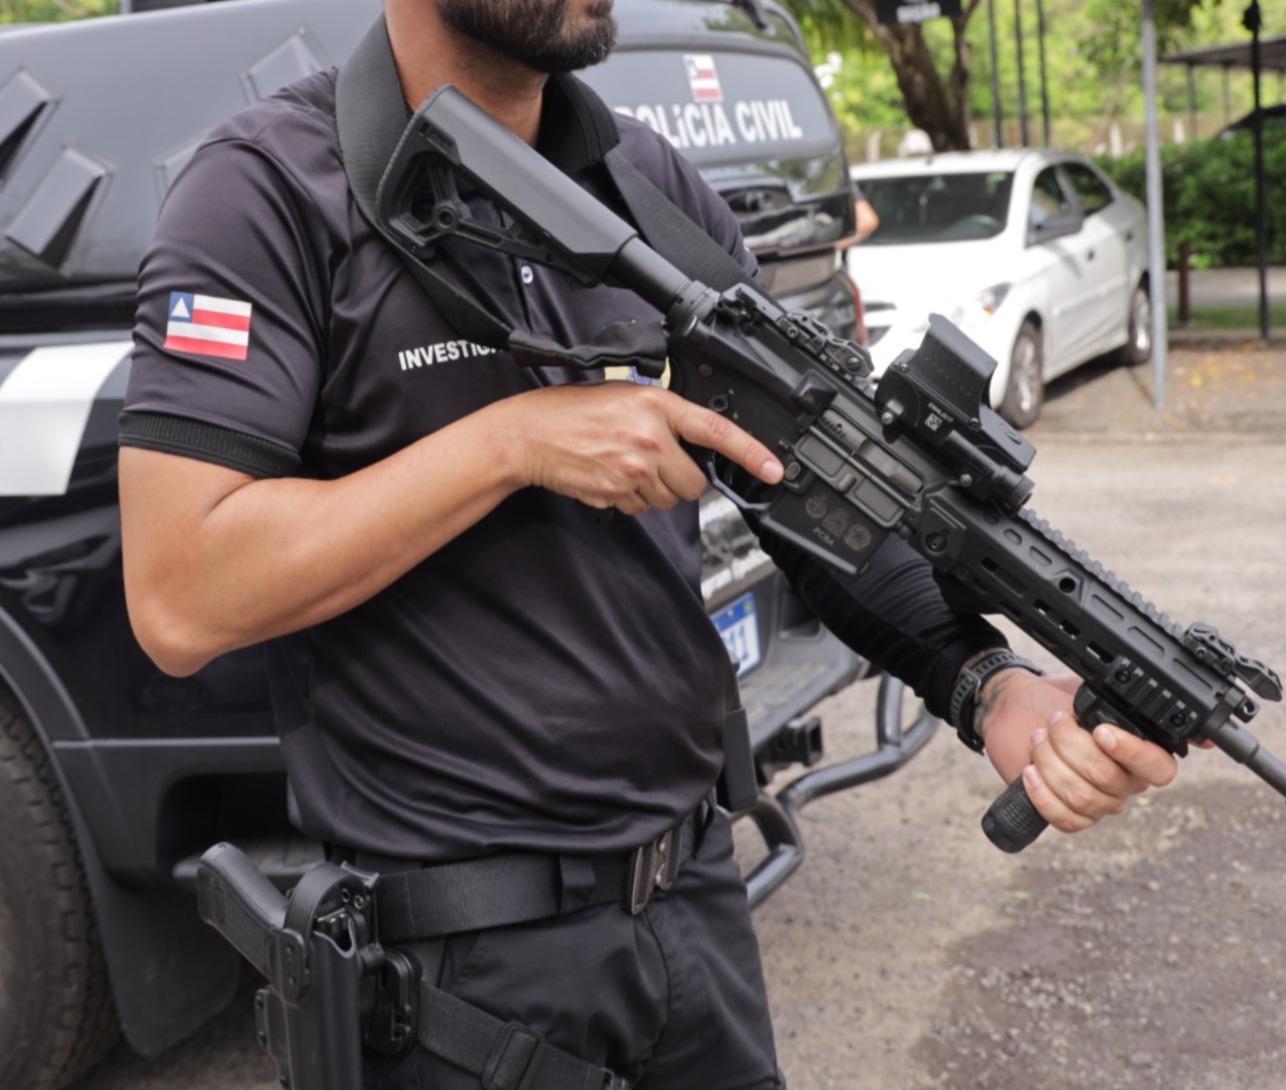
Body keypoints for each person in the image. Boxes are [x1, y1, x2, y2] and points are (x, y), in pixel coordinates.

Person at [117, 2, 1180, 1087]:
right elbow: (181, 596)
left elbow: (812, 489)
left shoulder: (648, 183)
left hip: (692, 910)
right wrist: (510, 443)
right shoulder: (265, 190)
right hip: (451, 969)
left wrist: (988, 685)